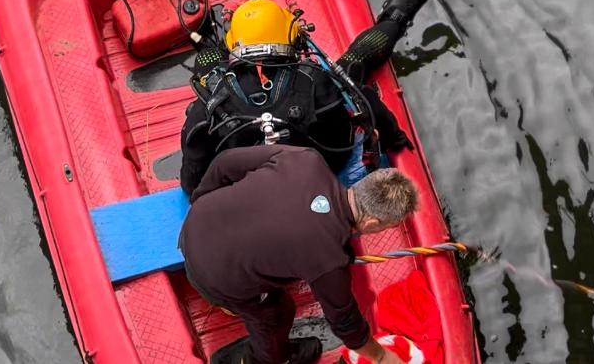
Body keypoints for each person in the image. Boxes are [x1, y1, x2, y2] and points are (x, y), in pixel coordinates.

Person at [179, 0, 483, 195]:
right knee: (351, 64)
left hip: (248, 192)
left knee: (209, 68)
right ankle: (399, 14)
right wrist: (394, 138)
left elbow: (190, 183)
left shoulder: (210, 101)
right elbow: (366, 103)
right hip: (321, 179)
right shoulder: (320, 83)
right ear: (289, 36)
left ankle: (203, 34)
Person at [179, 144, 420, 364]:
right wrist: (380, 356)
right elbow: (345, 321)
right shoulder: (329, 257)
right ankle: (261, 360)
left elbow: (225, 161)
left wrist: (202, 201)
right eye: (385, 226)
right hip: (211, 277)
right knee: (277, 313)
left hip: (193, 225)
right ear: (371, 223)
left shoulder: (307, 160)